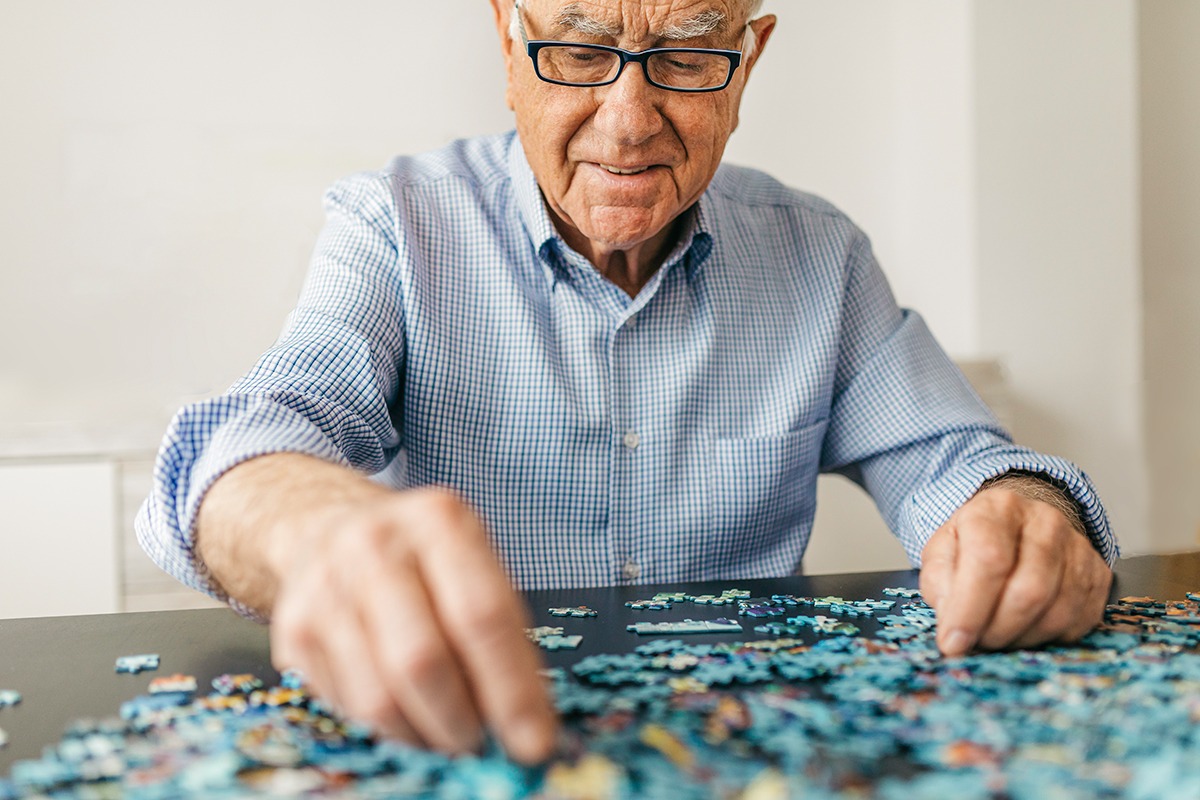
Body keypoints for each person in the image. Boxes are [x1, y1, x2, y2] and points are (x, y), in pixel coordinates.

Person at [136, 0, 1117, 766]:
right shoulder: (395, 226)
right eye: (577, 50)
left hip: (738, 755)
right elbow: (258, 438)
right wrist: (316, 530)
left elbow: (951, 459)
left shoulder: (821, 254)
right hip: (468, 749)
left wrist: (1023, 514)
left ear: (748, 59)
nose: (628, 120)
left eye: (686, 56)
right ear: (508, 41)